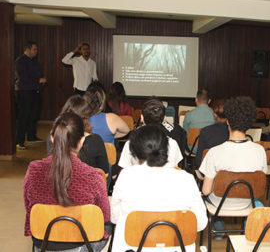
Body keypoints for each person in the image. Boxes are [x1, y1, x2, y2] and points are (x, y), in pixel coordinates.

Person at [110, 125, 207, 252]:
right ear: (166, 149)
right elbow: (200, 223)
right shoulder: (186, 178)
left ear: (135, 152)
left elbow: (115, 217)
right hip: (176, 248)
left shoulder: (126, 176)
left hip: (133, 248)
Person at [23, 113, 110, 251]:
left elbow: (29, 208)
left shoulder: (33, 170)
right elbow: (105, 216)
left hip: (44, 241)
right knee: (108, 226)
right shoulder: (94, 176)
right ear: (82, 141)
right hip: (82, 243)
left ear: (52, 138)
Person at [199, 96, 267, 239]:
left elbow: (206, 190)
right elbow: (260, 184)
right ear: (249, 123)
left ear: (228, 121)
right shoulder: (260, 151)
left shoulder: (214, 152)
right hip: (247, 202)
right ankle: (246, 231)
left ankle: (219, 231)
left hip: (219, 204)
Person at [46, 95, 109, 175]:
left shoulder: (53, 138)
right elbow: (105, 173)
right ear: (85, 118)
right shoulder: (95, 140)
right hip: (89, 185)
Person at [118, 98, 183, 169]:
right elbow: (176, 170)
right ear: (164, 119)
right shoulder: (172, 143)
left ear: (142, 118)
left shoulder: (130, 143)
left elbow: (124, 169)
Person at [15, 41, 47, 149]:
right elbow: (23, 77)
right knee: (24, 116)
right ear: (27, 49)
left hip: (35, 91)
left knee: (34, 114)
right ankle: (19, 141)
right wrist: (38, 80)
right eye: (34, 49)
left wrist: (41, 81)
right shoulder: (21, 61)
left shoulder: (35, 62)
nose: (36, 51)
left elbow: (39, 73)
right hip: (25, 91)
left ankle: (31, 136)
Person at [195, 99, 229, 168]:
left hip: (210, 171)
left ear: (215, 115)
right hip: (230, 172)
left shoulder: (205, 131)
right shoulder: (236, 132)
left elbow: (198, 161)